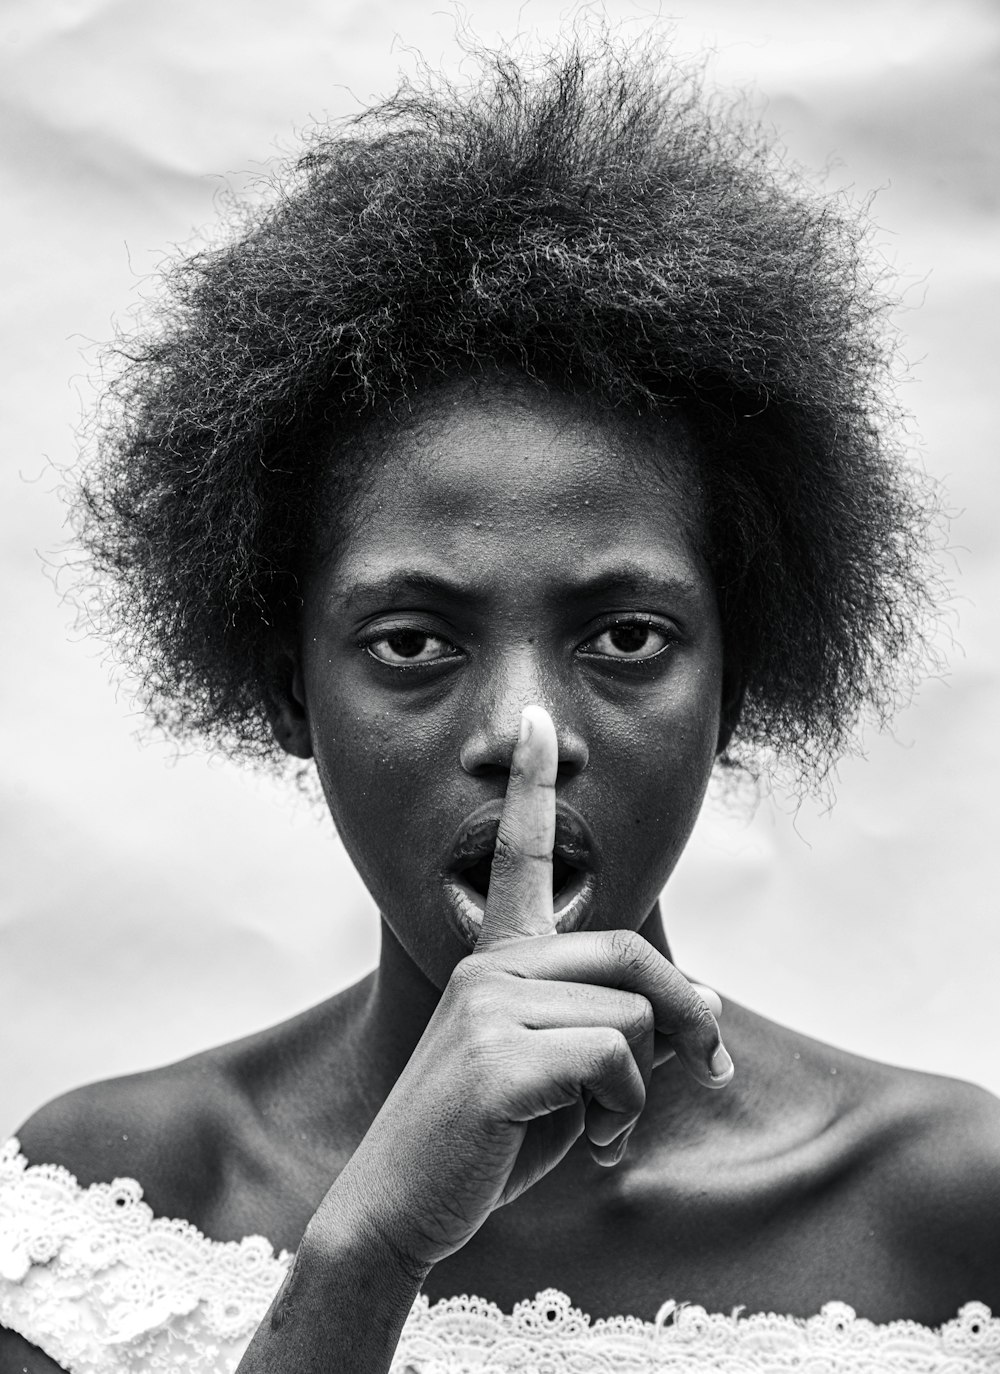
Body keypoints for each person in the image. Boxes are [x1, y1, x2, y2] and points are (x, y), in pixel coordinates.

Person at [2, 32, 999, 1374]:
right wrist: (367, 1255)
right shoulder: (105, 1199)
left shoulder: (949, 1208)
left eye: (628, 636)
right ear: (291, 686)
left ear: (738, 686)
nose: (526, 731)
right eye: (414, 640)